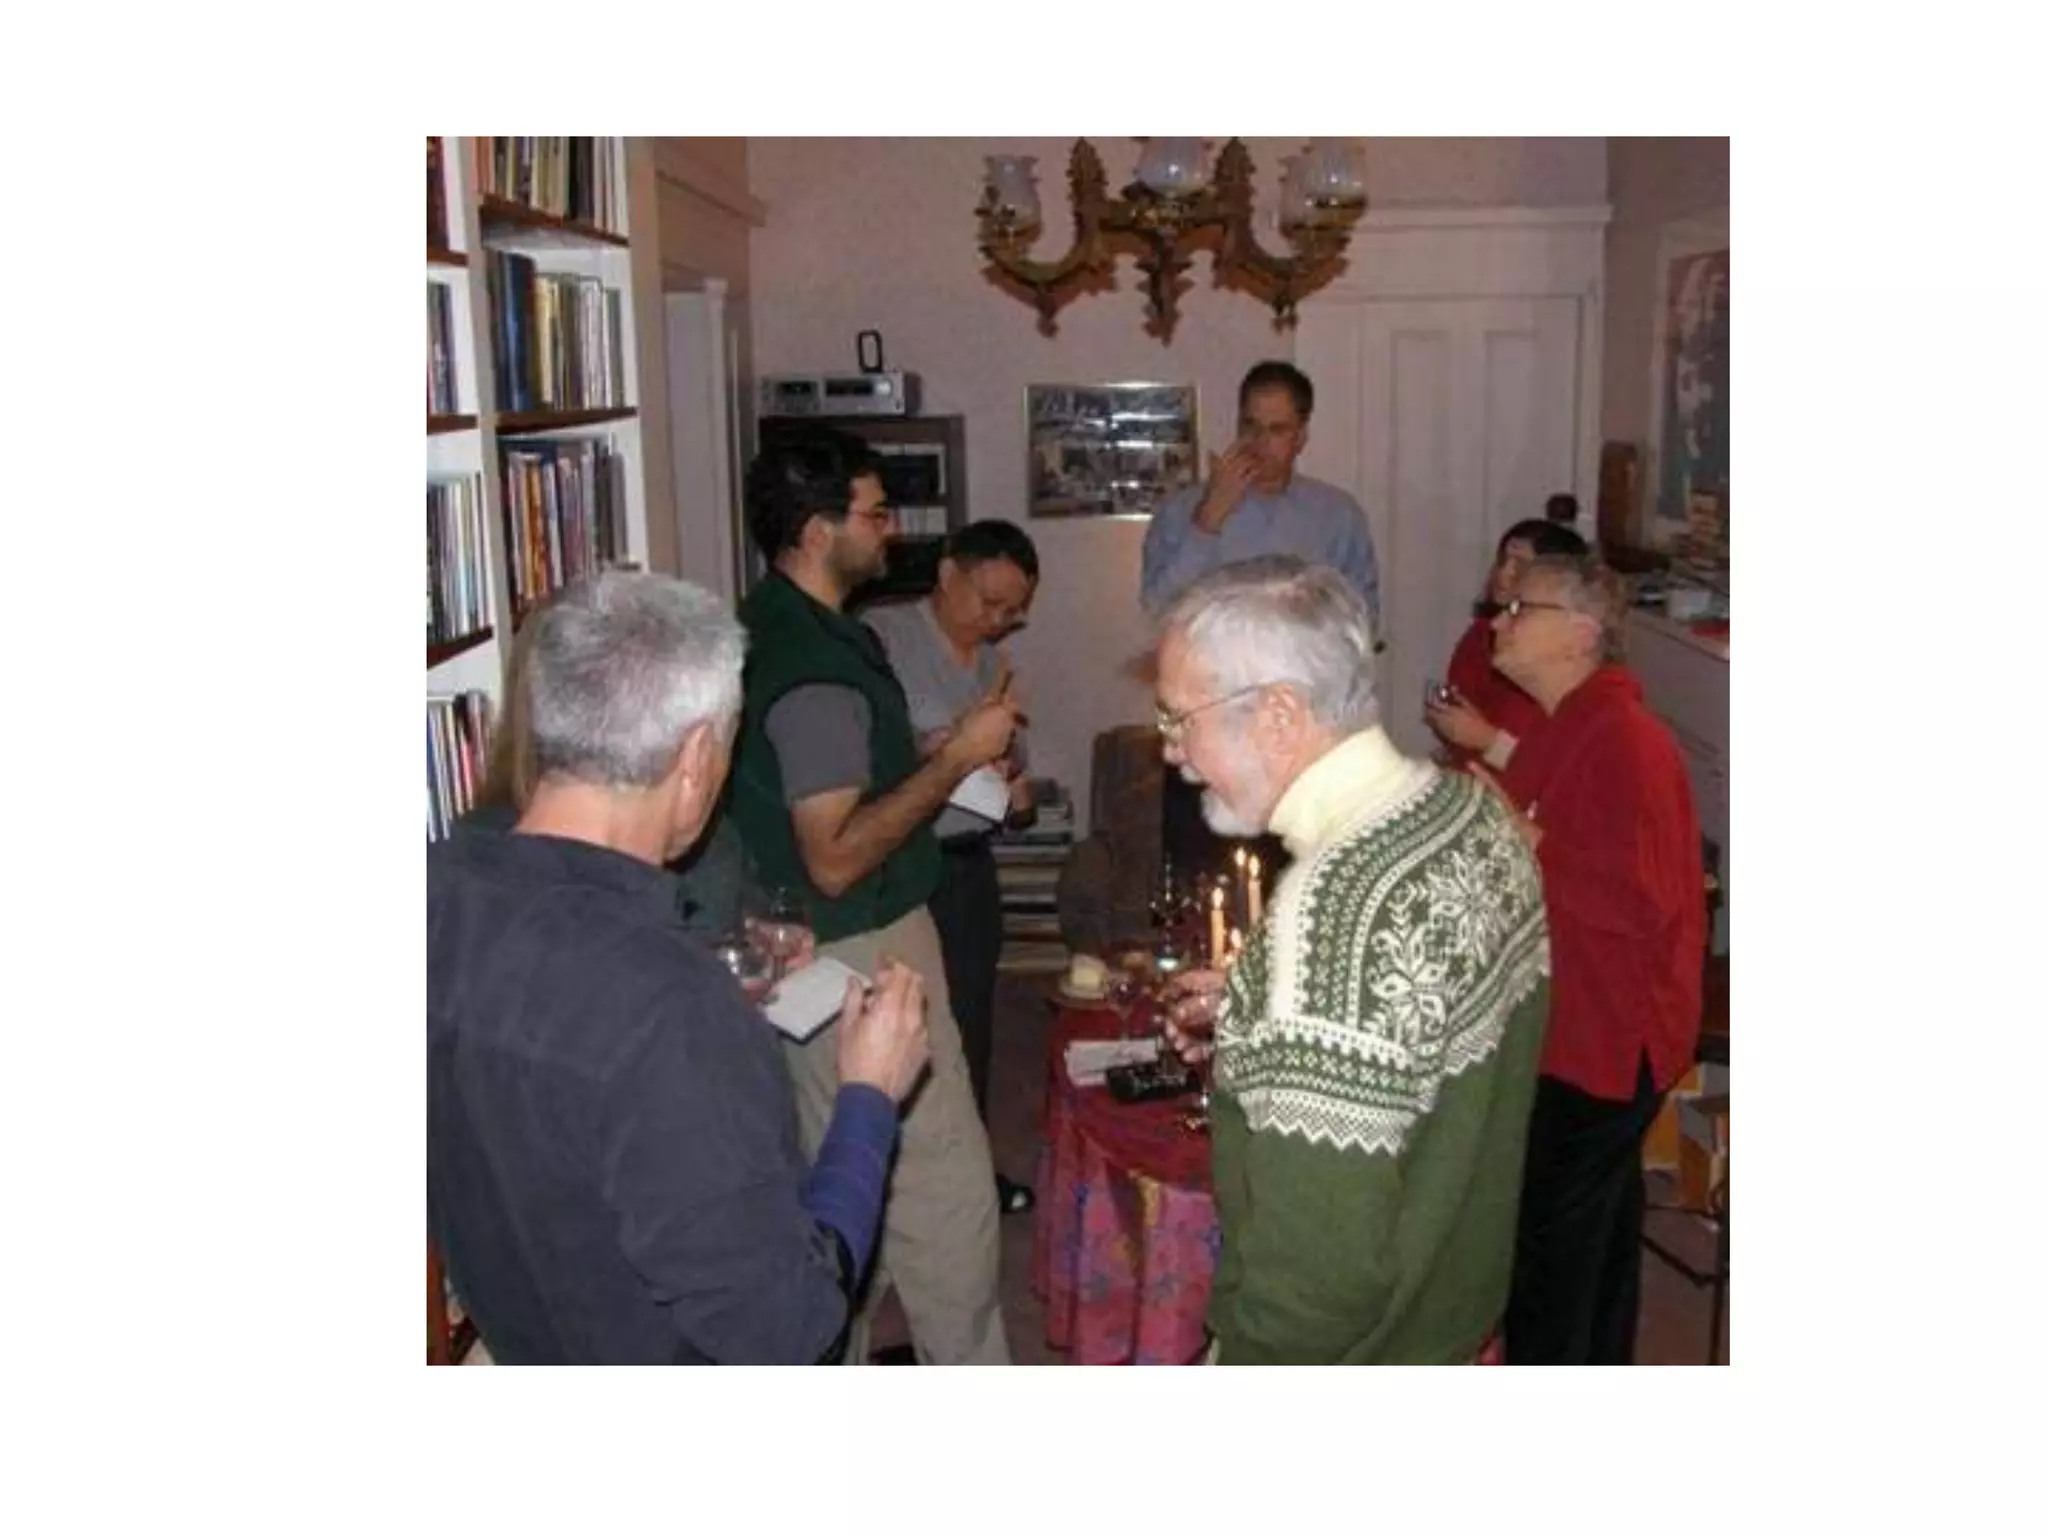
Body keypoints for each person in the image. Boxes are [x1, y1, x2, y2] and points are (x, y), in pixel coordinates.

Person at [427, 571, 932, 1364]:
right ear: (697, 756)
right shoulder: (675, 1013)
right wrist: (870, 1096)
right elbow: (791, 1329)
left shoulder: (438, 890)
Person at [1151, 556, 1551, 1365]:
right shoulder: (1472, 811)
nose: (1172, 751)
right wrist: (1262, 1007)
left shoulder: (1331, 918)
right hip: (1455, 1309)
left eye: (1179, 719)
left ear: (1278, 714)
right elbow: (1427, 1033)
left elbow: (1318, 1285)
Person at [727, 426, 1016, 1365]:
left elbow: (830, 785)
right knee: (949, 1197)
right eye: (876, 513)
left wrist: (921, 756)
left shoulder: (774, 624)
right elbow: (837, 856)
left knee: (843, 1176)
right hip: (860, 945)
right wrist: (960, 761)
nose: (892, 530)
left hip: (812, 948)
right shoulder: (812, 669)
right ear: (820, 531)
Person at [1474, 551, 1706, 1366]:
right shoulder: (1563, 724)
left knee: (1548, 1260)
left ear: (1579, 634)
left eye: (1520, 609)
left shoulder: (1627, 741)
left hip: (1605, 1041)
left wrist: (1525, 836)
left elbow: (1640, 904)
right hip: (1575, 1024)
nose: (1499, 619)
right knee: (1595, 1247)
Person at [865, 519, 1041, 1216]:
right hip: (902, 858)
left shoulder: (994, 665)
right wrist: (937, 747)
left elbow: (1013, 765)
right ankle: (890, 1179)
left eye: (1013, 610)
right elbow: (866, 749)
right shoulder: (884, 638)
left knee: (970, 1026)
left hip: (969, 861)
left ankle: (970, 1173)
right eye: (989, 602)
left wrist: (1015, 783)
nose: (998, 621)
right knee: (901, 1022)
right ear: (947, 575)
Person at [1140, 360, 1383, 646]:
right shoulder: (1181, 510)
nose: (1259, 442)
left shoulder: (1338, 516)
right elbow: (1157, 607)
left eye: (1276, 430)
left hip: (1304, 668)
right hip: (1214, 670)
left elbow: (1363, 621)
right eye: (1250, 425)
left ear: (1300, 437)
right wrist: (1207, 522)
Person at [1425, 519, 1588, 772]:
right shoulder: (1480, 634)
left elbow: (1553, 771)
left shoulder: (1555, 664)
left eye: (1520, 566)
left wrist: (1486, 739)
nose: (1504, 575)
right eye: (1502, 561)